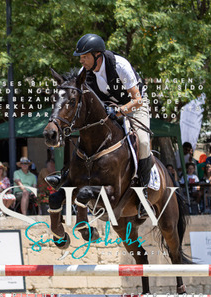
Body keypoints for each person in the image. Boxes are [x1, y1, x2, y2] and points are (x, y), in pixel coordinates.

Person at [49, 34, 152, 205]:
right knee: (88, 136)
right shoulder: (84, 73)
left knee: (143, 141)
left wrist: (118, 112)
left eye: (84, 56)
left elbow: (137, 99)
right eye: (80, 57)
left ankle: (144, 189)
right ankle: (67, 174)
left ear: (97, 55)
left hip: (133, 104)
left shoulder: (119, 66)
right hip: (108, 107)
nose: (81, 60)